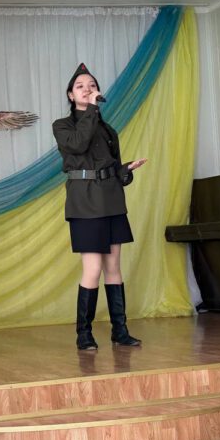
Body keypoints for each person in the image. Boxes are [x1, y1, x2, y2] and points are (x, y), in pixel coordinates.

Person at [52, 63, 147, 350]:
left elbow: (112, 168)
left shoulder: (109, 130)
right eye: (80, 86)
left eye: (92, 85)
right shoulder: (62, 126)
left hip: (112, 199)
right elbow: (78, 145)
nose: (87, 89)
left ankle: (120, 331)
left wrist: (125, 170)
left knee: (113, 267)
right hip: (84, 201)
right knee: (92, 269)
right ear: (71, 95)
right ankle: (84, 334)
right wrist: (92, 109)